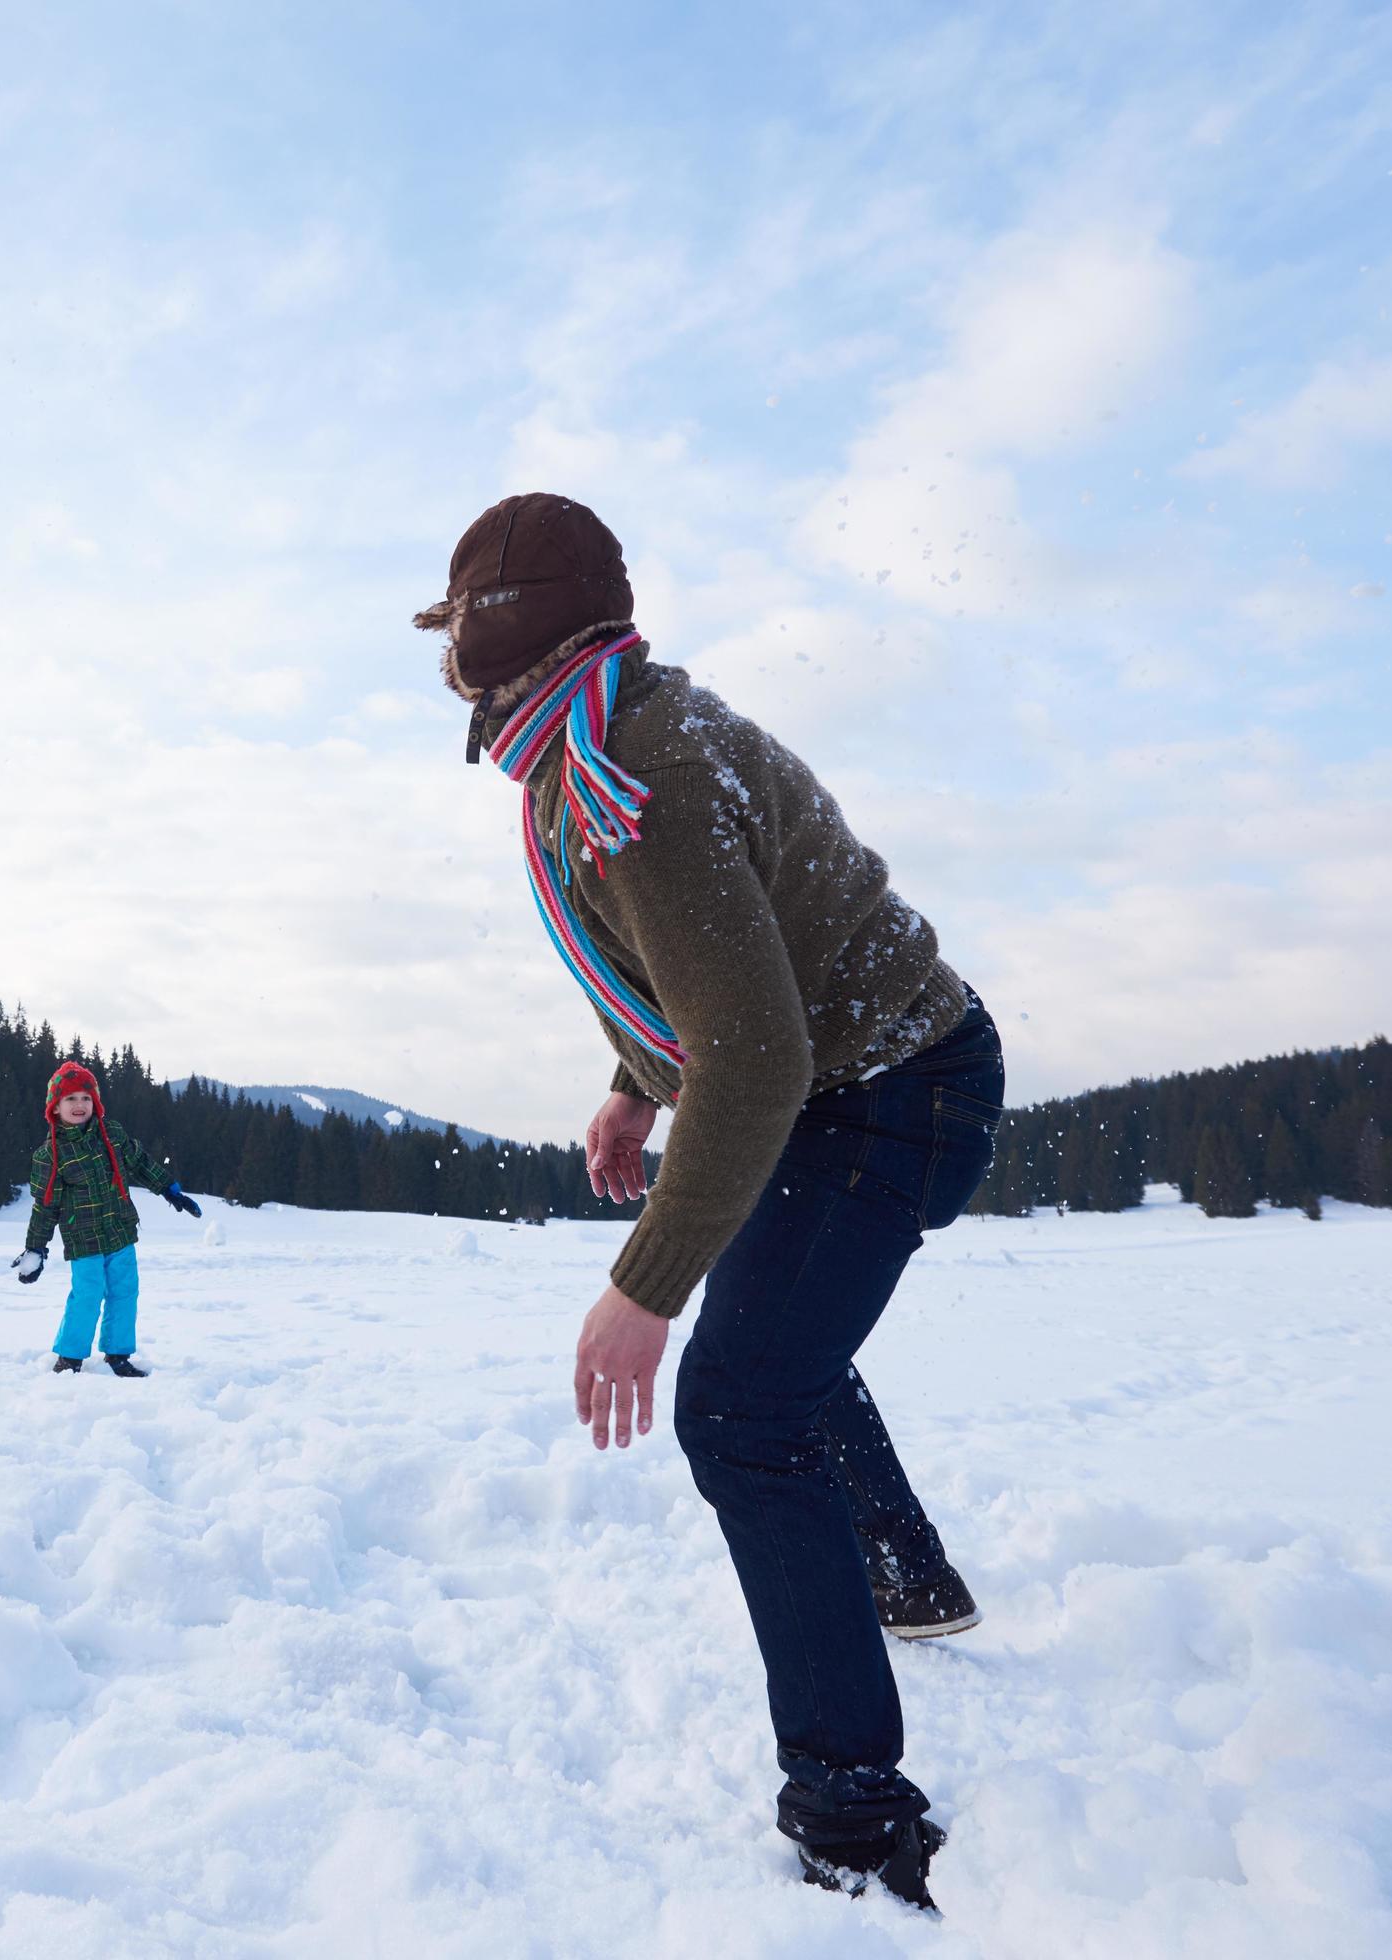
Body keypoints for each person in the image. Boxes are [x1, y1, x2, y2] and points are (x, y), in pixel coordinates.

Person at [418, 493, 1005, 1912]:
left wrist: (644, 1282)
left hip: (891, 1090)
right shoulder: (604, 740)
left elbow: (751, 1052)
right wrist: (633, 1081)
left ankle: (857, 1817)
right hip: (845, 1082)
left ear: (499, 648)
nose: (447, 674)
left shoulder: (637, 776)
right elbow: (709, 976)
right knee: (780, 1348)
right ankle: (906, 1577)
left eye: (456, 642)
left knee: (740, 1403)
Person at [11, 1061, 200, 1375]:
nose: (79, 1105)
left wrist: (169, 1189)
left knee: (125, 1291)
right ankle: (69, 1357)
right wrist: (35, 1249)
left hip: (120, 1229)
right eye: (70, 1098)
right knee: (88, 1294)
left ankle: (118, 1354)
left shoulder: (110, 1133)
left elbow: (139, 1162)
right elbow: (45, 1206)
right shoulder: (50, 1154)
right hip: (83, 1238)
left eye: (86, 1098)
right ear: (55, 1107)